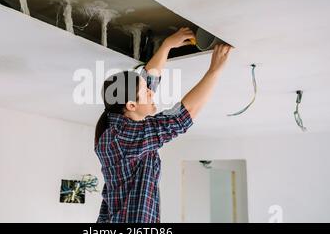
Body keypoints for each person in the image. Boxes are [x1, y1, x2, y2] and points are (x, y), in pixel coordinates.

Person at [94, 27, 232, 222]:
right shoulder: (124, 134)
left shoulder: (122, 130)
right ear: (131, 105)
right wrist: (214, 71)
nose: (151, 92)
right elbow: (183, 114)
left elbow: (153, 88)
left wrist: (168, 45)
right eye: (145, 92)